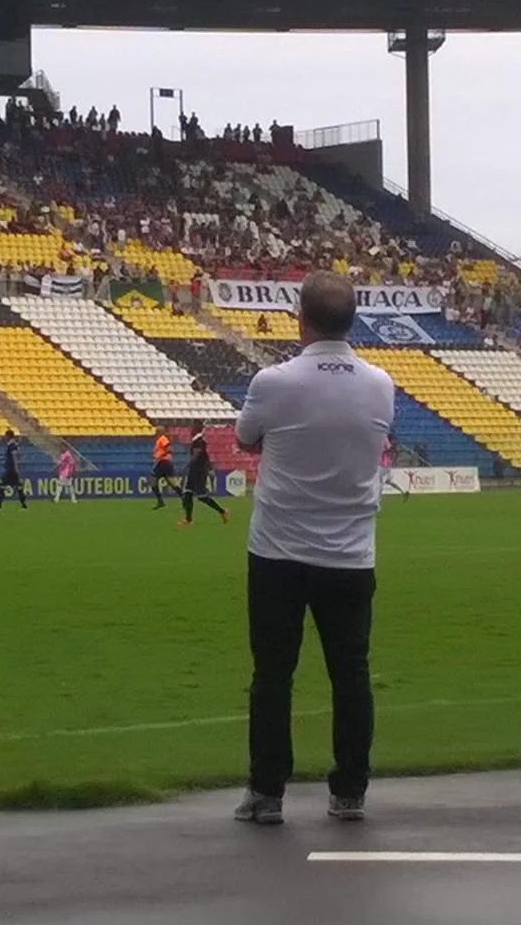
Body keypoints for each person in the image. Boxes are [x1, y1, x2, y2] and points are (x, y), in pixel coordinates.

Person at [233, 270, 394, 826]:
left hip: (278, 551)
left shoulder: (273, 382)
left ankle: (266, 792)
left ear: (300, 319)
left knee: (273, 673)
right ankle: (349, 791)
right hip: (350, 553)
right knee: (350, 673)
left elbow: (245, 438)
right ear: (352, 320)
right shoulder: (380, 384)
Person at [178, 422, 229, 526]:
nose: (190, 430)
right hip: (194, 471)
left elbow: (196, 456)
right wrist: (210, 469)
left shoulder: (199, 442)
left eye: (192, 428)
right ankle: (188, 519)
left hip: (199, 472)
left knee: (202, 497)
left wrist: (186, 466)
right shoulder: (197, 441)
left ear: (196, 429)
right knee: (187, 494)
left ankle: (222, 511)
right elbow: (206, 457)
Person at [0, 429, 27, 511]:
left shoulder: (12, 445)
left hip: (11, 470)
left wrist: (16, 468)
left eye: (5, 435)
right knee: (19, 487)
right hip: (11, 469)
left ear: (8, 436)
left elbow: (14, 456)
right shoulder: (12, 444)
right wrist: (3, 458)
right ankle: (24, 506)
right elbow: (16, 455)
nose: (4, 437)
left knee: (1, 484)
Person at [149, 427, 182, 510]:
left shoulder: (163, 439)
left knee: (153, 480)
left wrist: (160, 455)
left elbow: (168, 449)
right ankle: (184, 499)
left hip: (163, 463)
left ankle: (160, 501)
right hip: (165, 463)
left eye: (157, 431)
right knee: (172, 483)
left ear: (161, 432)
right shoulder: (159, 440)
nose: (155, 433)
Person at [379, 434, 410, 501]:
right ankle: (402, 492)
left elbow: (388, 450)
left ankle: (378, 498)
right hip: (386, 465)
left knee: (380, 482)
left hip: (383, 466)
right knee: (389, 482)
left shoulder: (386, 443)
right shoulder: (388, 444)